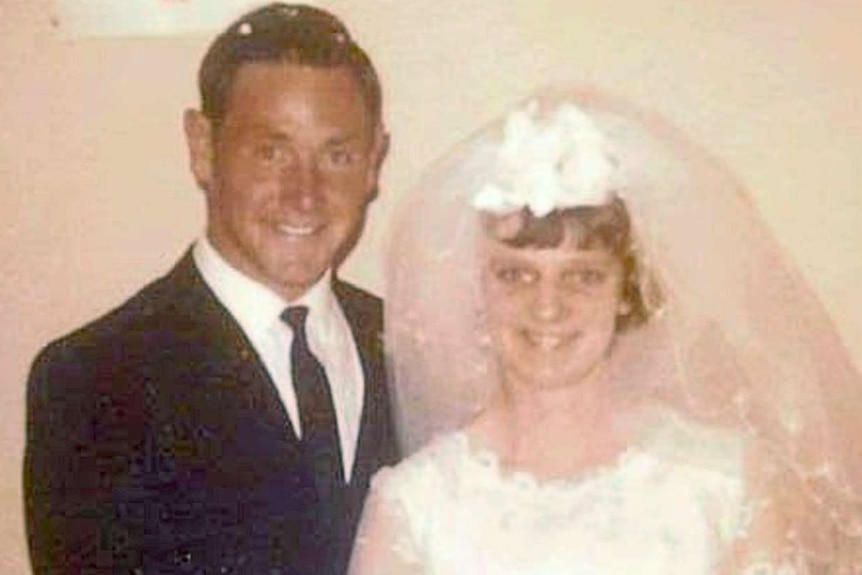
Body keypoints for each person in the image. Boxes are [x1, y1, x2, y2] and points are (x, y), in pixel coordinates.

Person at [347, 89, 862, 575]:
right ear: (478, 290)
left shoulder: (724, 480)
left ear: (624, 291)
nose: (548, 306)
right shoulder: (416, 505)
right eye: (516, 274)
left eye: (583, 276)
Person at [24, 4, 397, 574]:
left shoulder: (410, 346)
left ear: (373, 163)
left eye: (337, 156)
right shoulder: (94, 379)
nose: (306, 194)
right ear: (203, 147)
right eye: (272, 151)